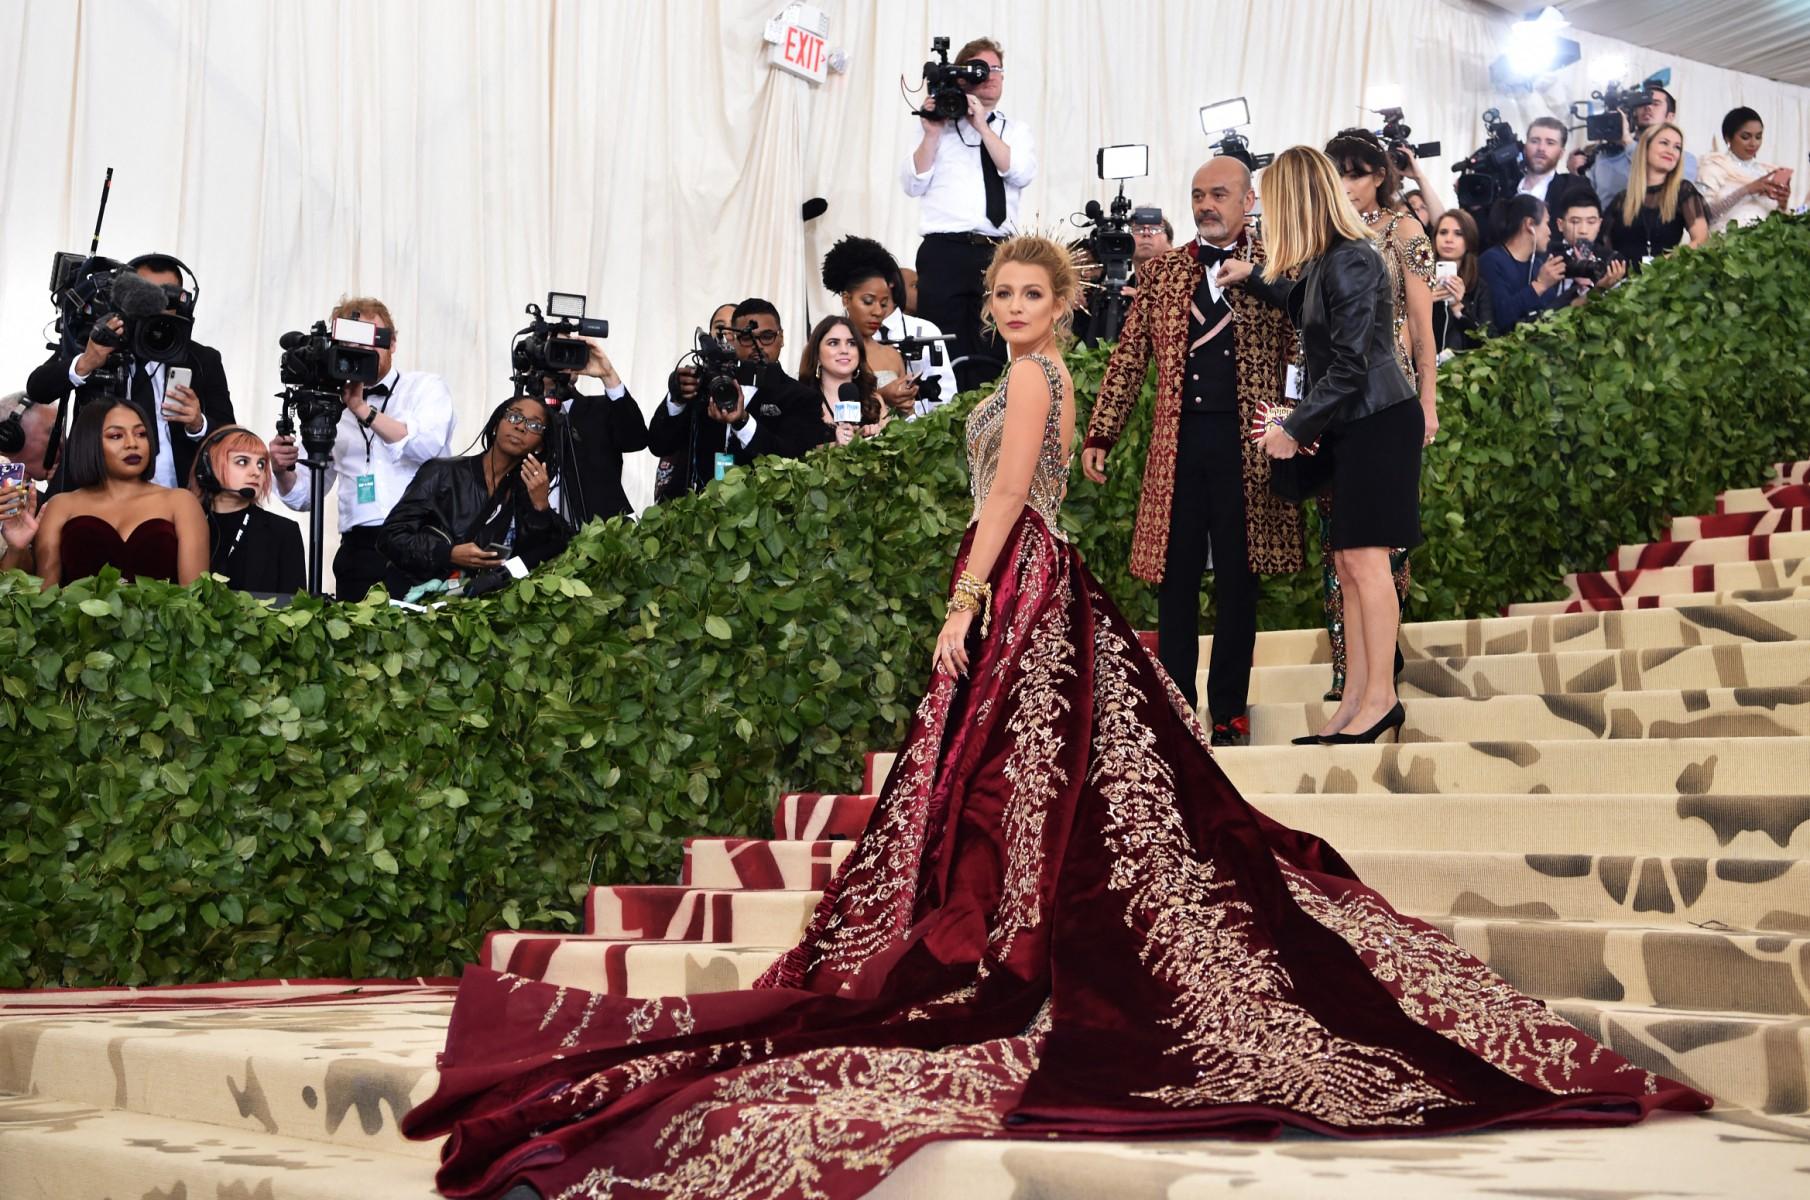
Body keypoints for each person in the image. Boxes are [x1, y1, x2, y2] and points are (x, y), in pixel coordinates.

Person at [400, 226, 1706, 1200]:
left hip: (1020, 586)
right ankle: (1001, 938)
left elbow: (1010, 497)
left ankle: (999, 951)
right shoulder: (1033, 370)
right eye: (1002, 295)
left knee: (1018, 796)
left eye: (1033, 293)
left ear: (1060, 302)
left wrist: (962, 601)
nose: (1015, 307)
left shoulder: (1033, 383)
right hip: (1037, 588)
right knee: (1032, 801)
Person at [1084, 157, 1302, 746]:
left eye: (1220, 194)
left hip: (1253, 447)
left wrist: (1299, 427)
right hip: (1177, 445)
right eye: (1198, 194)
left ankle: (1230, 709)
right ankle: (1178, 708)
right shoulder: (1161, 275)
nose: (1207, 205)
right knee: (1174, 579)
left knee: (1239, 577)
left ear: (1249, 199)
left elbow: (1301, 349)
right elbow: (1129, 358)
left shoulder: (1281, 266)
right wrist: (1101, 432)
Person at [1316, 129, 1437, 701]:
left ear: (1381, 177)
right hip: (1334, 404)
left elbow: (1422, 327)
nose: (1348, 184)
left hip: (1387, 399)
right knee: (1338, 549)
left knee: (1382, 548)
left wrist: (1428, 402)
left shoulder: (1406, 230)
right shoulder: (1324, 237)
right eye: (1337, 172)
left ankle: (1380, 678)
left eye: (1358, 172)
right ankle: (1350, 676)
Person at [269, 296, 455, 601]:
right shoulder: (328, 404)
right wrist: (282, 470)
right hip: (359, 549)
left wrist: (361, 409)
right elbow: (305, 495)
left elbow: (426, 445)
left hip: (421, 537)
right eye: (352, 341)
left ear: (393, 343)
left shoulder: (424, 387)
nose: (364, 351)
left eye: (373, 339)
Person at [26, 253, 234, 494]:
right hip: (94, 493)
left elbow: (231, 434)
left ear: (183, 305)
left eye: (166, 298)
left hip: (178, 496)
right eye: (145, 297)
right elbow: (38, 388)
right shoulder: (98, 342)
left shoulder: (202, 359)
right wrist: (86, 362)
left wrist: (198, 423)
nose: (155, 308)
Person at [901, 36, 1037, 392]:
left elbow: (1018, 171)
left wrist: (981, 125)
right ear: (961, 76)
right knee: (942, 347)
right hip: (944, 251)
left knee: (992, 343)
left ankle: (989, 423)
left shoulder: (1015, 131)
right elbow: (912, 184)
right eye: (980, 69)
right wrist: (931, 134)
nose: (990, 76)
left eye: (996, 70)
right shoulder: (936, 126)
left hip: (998, 251)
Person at [380, 395, 571, 597]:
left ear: (540, 445)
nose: (521, 427)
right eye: (515, 417)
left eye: (534, 425)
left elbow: (546, 553)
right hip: (414, 599)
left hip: (473, 608)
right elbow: (390, 537)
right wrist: (448, 554)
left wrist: (541, 507)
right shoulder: (441, 472)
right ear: (497, 425)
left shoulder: (523, 495)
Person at [645, 298, 819, 498]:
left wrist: (742, 422)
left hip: (761, 516)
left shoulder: (802, 397)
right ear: (733, 340)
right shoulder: (706, 384)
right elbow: (659, 444)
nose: (758, 345)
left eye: (767, 336)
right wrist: (677, 399)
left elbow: (791, 461)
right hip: (696, 513)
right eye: (747, 338)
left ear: (781, 338)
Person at [28, 400, 207, 589]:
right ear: (90, 442)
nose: (132, 444)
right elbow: (46, 599)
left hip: (165, 618)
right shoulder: (60, 505)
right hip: (74, 618)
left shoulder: (181, 502)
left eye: (141, 434)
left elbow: (195, 600)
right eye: (116, 436)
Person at [186, 425, 304, 595]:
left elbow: (295, 609)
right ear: (208, 469)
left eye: (261, 464)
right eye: (242, 462)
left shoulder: (283, 531)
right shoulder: (185, 525)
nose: (256, 472)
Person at [546, 339, 649, 527]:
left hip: (604, 538)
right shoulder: (518, 420)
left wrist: (609, 376)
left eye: (569, 350)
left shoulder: (601, 409)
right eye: (556, 350)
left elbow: (636, 440)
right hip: (539, 542)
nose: (564, 360)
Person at [820, 236, 919, 421]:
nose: (877, 312)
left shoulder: (892, 355)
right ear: (846, 299)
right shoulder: (829, 351)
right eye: (868, 301)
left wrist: (906, 403)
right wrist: (883, 396)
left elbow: (907, 420)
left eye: (883, 304)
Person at [651, 303, 736, 502]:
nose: (726, 334)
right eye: (720, 327)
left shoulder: (755, 381)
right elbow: (658, 444)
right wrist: (677, 398)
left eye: (734, 327)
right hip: (687, 503)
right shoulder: (691, 381)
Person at [1604, 123, 1710, 271]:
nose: (1671, 151)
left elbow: (1701, 239)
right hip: (1622, 286)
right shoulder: (1621, 200)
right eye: (1664, 143)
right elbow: (1602, 247)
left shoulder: (1683, 191)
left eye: (1677, 147)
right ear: (1645, 148)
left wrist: (1666, 261)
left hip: (1663, 282)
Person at [1587, 85, 1698, 203]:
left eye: (1655, 104)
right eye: (1641, 103)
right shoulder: (1606, 155)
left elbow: (1674, 194)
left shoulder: (1683, 159)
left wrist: (1628, 143)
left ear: (1670, 117)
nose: (1648, 107)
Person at [1479, 194, 1567, 334]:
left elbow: (1553, 313)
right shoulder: (1491, 260)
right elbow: (1501, 317)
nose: (1550, 232)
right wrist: (1539, 286)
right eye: (1546, 223)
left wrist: (1583, 292)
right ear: (1529, 224)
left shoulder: (1538, 265)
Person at [1698, 106, 1792, 233]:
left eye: (1758, 137)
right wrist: (1746, 190)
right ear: (1728, 138)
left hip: (1766, 245)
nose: (1753, 143)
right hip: (1724, 246)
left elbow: (1780, 222)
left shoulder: (1767, 172)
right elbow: (1703, 216)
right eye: (1745, 137)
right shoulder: (1714, 167)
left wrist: (1782, 204)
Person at [798, 315, 884, 447]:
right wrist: (835, 446)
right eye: (833, 343)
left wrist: (878, 438)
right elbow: (795, 453)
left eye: (851, 343)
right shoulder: (800, 402)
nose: (844, 350)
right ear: (817, 354)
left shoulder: (875, 401)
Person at [1428, 209, 1493, 355]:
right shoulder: (1419, 279)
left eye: (1458, 234)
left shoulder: (1479, 287)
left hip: (1463, 370)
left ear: (1469, 240)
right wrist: (1425, 304)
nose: (1449, 239)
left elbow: (1489, 341)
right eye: (1443, 232)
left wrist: (1459, 308)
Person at [1549, 189, 1629, 306]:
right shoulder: (1548, 256)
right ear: (1560, 225)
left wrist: (1594, 285)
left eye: (1591, 222)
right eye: (1575, 222)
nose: (1583, 230)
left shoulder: (1613, 261)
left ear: (1599, 224)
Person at [1516, 116, 1569, 204]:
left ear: (1561, 153)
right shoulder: (1504, 191)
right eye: (1535, 141)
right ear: (1525, 147)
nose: (1541, 148)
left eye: (1550, 143)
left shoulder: (1571, 190)